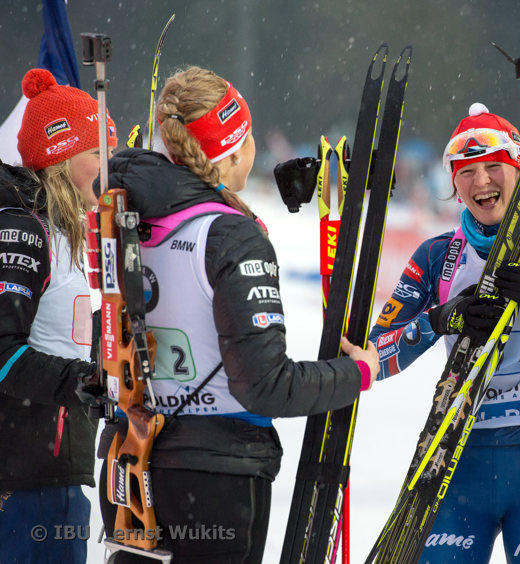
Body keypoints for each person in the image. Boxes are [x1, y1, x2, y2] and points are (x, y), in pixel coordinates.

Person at [93, 66, 379, 562]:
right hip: (213, 479)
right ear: (233, 148)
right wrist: (357, 373)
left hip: (132, 464)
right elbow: (264, 384)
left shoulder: (124, 212)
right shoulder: (228, 233)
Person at [368, 103, 520, 563]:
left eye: (494, 167)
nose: (482, 181)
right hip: (457, 458)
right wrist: (438, 321)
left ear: (519, 169)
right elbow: (375, 356)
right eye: (468, 171)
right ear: (454, 186)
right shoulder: (437, 257)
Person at [0, 68, 116, 562]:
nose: (109, 169)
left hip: (56, 470)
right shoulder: (24, 229)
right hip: (26, 479)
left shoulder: (67, 230)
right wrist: (87, 381)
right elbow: (4, 354)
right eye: (97, 154)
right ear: (60, 156)